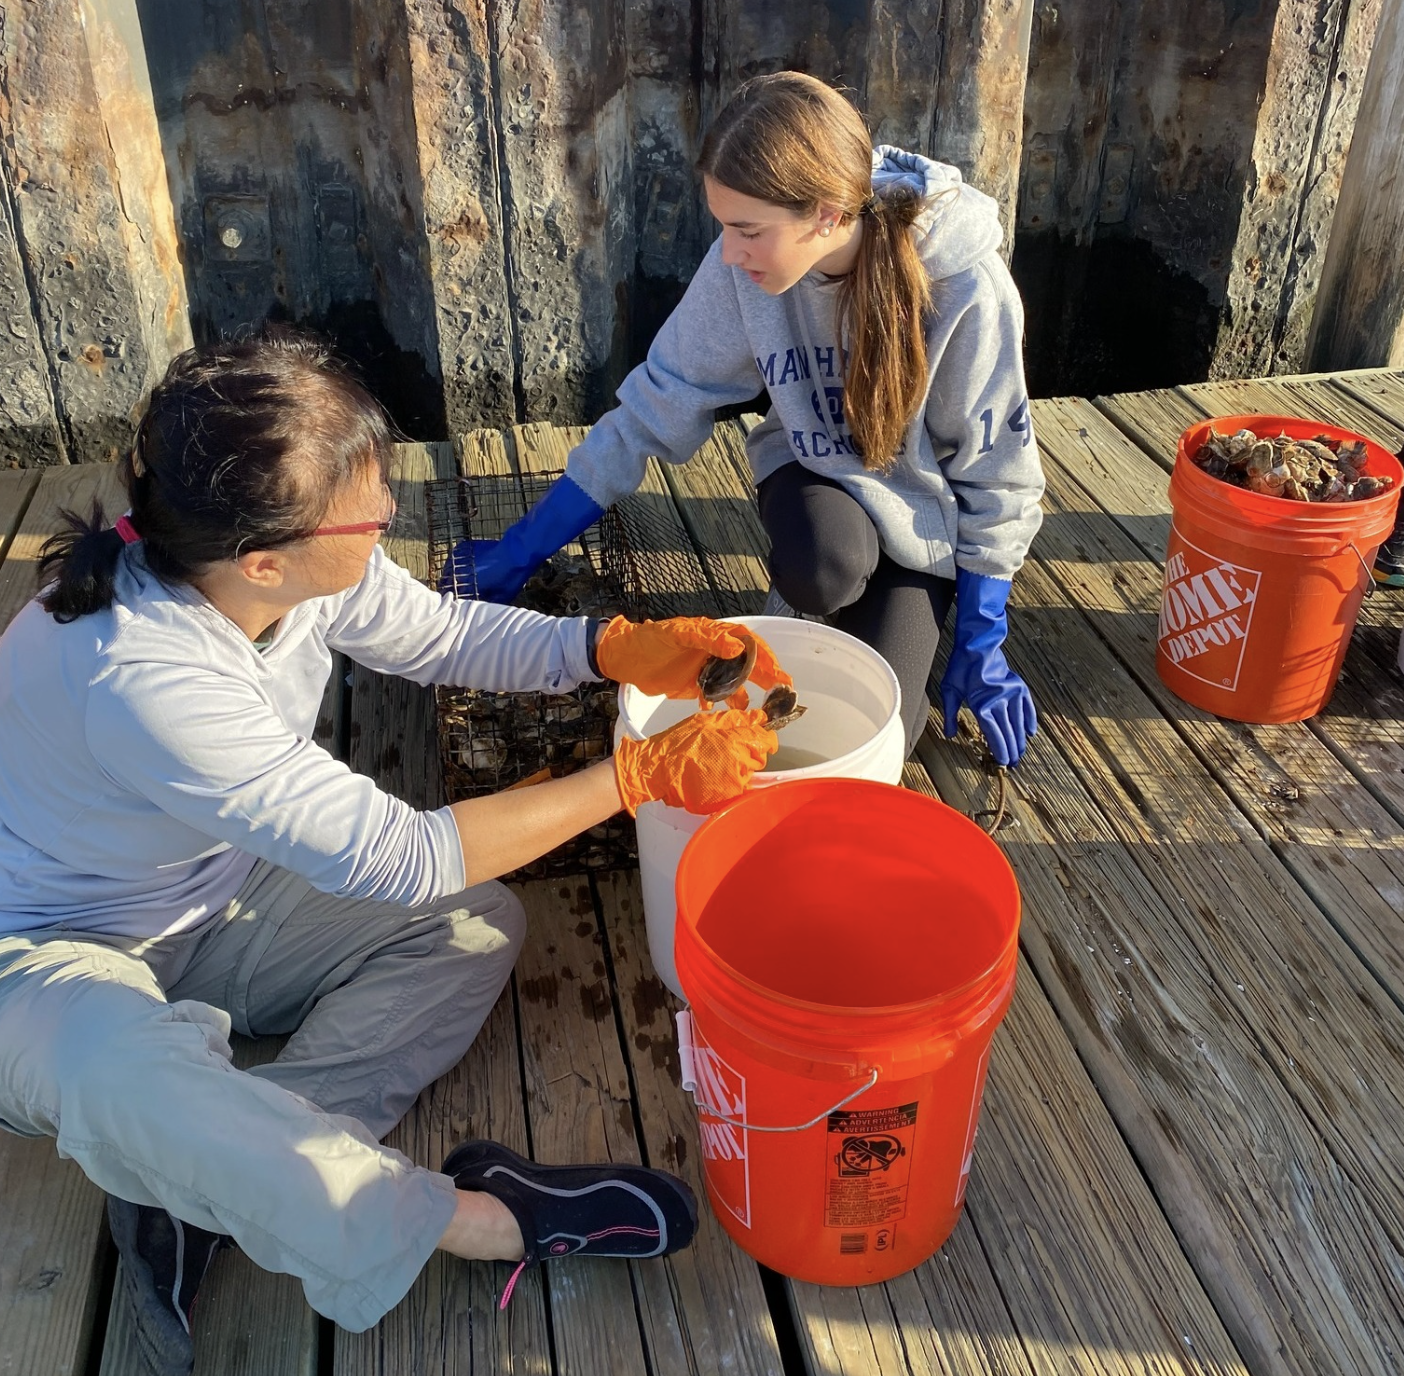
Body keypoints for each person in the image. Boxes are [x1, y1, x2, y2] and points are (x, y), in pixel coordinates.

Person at [0, 334, 787, 1376]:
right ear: (263, 558)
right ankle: (476, 1216)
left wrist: (605, 648)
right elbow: (408, 854)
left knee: (478, 924)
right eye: (370, 514)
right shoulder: (143, 675)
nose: (389, 524)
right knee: (120, 1071)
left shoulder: (272, 562)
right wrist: (636, 777)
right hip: (46, 957)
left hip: (211, 898)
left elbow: (443, 634)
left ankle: (199, 1186)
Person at [446, 71, 1045, 767]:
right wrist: (522, 546)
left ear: (826, 215)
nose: (729, 253)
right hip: (814, 477)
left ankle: (892, 619)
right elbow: (653, 407)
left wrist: (981, 639)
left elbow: (999, 475)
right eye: (724, 227)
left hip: (922, 518)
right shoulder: (742, 270)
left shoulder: (967, 287)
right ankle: (805, 602)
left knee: (882, 739)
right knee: (827, 567)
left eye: (748, 231)